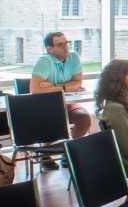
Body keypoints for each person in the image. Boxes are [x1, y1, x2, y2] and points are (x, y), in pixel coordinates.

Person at [30, 32, 91, 168]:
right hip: (45, 105)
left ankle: (69, 152)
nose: (66, 47)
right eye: (60, 45)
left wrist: (53, 86)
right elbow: (34, 89)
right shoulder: (44, 61)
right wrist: (64, 87)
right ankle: (44, 154)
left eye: (66, 43)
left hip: (67, 103)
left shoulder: (73, 57)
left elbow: (77, 83)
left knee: (84, 118)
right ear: (50, 49)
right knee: (58, 120)